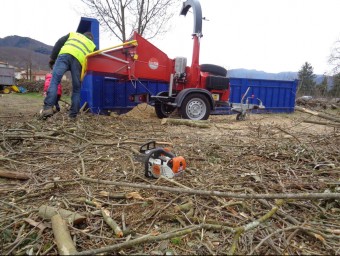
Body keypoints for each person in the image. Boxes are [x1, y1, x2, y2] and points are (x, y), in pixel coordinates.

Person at [40, 31, 97, 119]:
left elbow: (59, 43)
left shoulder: (73, 34)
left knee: (54, 81)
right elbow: (95, 59)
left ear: (83, 35)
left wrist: (52, 59)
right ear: (91, 39)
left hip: (64, 56)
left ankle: (48, 108)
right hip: (79, 62)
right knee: (77, 89)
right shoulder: (92, 45)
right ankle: (73, 115)